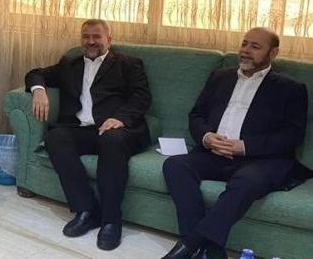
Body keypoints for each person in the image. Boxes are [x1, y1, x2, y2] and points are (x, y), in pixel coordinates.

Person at [162, 27, 309, 259]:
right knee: (175, 165)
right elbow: (196, 114)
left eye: (255, 46)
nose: (246, 50)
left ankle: (190, 244)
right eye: (244, 44)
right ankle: (210, 249)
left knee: (247, 181)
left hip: (259, 160)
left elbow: (292, 135)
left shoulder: (290, 88)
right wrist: (207, 137)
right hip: (214, 153)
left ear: (273, 53)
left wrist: (246, 146)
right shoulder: (220, 77)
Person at [24, 19, 151, 251]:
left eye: (96, 37)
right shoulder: (69, 64)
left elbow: (141, 98)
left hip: (117, 130)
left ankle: (111, 220)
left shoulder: (128, 64)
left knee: (111, 141)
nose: (91, 42)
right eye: (86, 37)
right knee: (55, 137)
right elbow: (35, 74)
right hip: (82, 129)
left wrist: (120, 118)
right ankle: (86, 210)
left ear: (108, 40)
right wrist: (39, 90)